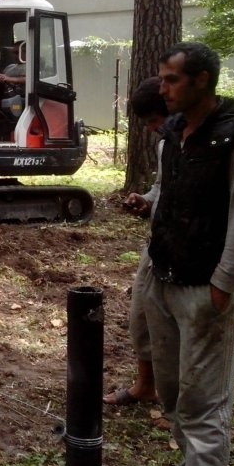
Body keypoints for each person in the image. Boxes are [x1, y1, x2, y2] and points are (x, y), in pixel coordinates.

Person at [139, 42, 234, 466]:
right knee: (174, 394)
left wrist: (222, 286)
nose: (163, 87)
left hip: (204, 289)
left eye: (172, 79)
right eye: (162, 78)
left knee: (205, 404)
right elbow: (168, 198)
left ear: (202, 81)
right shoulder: (172, 132)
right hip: (164, 280)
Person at [103, 77, 168, 411]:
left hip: (192, 254)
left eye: (155, 121)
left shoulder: (221, 144)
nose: (153, 130)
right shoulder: (165, 146)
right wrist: (146, 200)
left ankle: (177, 404)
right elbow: (162, 188)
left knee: (179, 329)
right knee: (140, 314)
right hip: (157, 245)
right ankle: (146, 386)